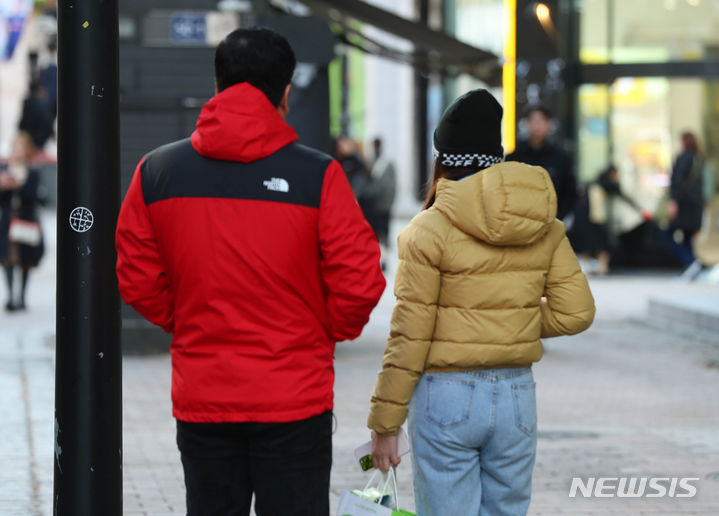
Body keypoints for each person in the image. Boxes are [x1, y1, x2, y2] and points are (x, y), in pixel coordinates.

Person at [115, 27, 386, 516]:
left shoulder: (157, 171)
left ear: (218, 85)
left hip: (204, 395)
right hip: (294, 397)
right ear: (285, 93)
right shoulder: (318, 175)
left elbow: (135, 275)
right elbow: (360, 280)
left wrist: (184, 319)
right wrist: (325, 331)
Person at [367, 89, 595, 516]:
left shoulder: (427, 230)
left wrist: (384, 424)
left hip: (446, 398)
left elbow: (409, 337)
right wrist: (508, 321)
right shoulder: (542, 224)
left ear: (443, 161)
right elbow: (576, 311)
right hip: (516, 396)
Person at [506, 105, 577, 220]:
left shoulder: (561, 157)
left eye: (541, 121)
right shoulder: (514, 157)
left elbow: (569, 193)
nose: (537, 125)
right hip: (520, 221)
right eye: (533, 121)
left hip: (553, 221)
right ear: (526, 124)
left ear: (549, 125)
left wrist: (559, 217)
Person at [569, 164, 642, 276]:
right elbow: (623, 196)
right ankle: (600, 268)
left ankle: (591, 268)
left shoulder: (594, 183)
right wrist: (640, 209)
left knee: (589, 243)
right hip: (593, 217)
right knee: (602, 243)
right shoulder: (607, 184)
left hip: (584, 216)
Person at [0, 132, 45, 311]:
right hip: (8, 218)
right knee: (8, 258)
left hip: (26, 218)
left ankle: (22, 295)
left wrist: (19, 184)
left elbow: (33, 196)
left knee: (25, 259)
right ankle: (11, 295)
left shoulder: (32, 171)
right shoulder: (5, 168)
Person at [667, 131, 705, 277]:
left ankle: (690, 261)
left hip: (684, 204)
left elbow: (677, 182)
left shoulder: (683, 158)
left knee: (667, 233)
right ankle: (691, 267)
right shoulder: (699, 159)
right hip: (696, 204)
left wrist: (673, 201)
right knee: (687, 237)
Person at [360, 137, 397, 269]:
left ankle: (384, 260)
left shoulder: (384, 164)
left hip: (381, 206)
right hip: (375, 206)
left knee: (383, 234)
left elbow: (390, 186)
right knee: (377, 234)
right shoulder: (371, 163)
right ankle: (378, 258)